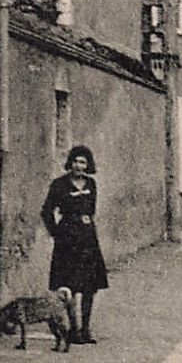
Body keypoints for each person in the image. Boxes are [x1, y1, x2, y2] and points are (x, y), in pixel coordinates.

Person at [41, 145, 109, 344]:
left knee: (89, 285)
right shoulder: (59, 185)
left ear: (88, 165)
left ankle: (86, 329)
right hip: (67, 240)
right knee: (68, 284)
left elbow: (91, 210)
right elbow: (47, 211)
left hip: (88, 238)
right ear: (69, 163)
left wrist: (85, 221)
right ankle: (74, 329)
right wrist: (56, 233)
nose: (79, 166)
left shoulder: (91, 184)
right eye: (76, 162)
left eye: (83, 162)